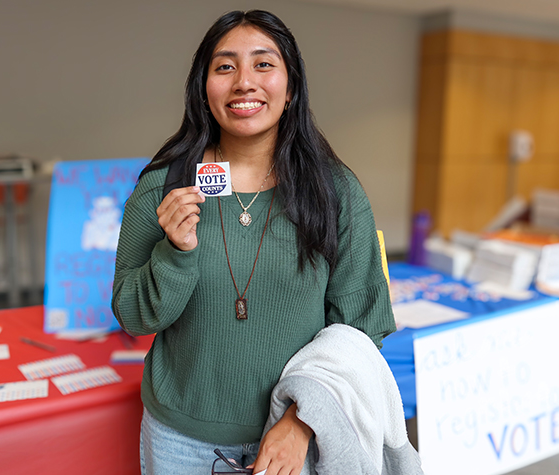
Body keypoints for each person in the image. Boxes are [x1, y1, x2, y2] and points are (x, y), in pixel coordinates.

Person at [112, 10, 396, 475]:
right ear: (203, 88)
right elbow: (134, 317)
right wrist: (175, 253)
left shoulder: (336, 191)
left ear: (292, 86)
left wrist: (302, 422)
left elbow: (361, 328)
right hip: (179, 440)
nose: (244, 82)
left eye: (264, 64)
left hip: (295, 439)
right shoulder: (164, 187)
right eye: (225, 67)